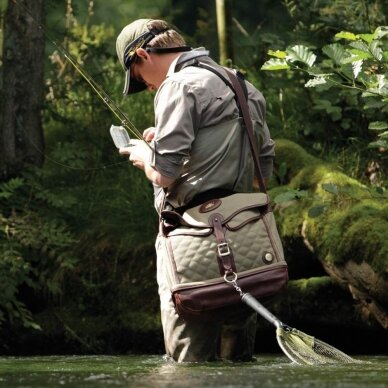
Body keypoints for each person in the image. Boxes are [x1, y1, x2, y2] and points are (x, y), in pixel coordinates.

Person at [115, 18, 275, 362]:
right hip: (247, 239)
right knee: (239, 364)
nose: (146, 87)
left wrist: (144, 155)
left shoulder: (178, 86)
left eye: (139, 78)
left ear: (142, 54)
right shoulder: (242, 85)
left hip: (192, 240)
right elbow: (264, 163)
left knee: (188, 366)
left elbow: (164, 174)